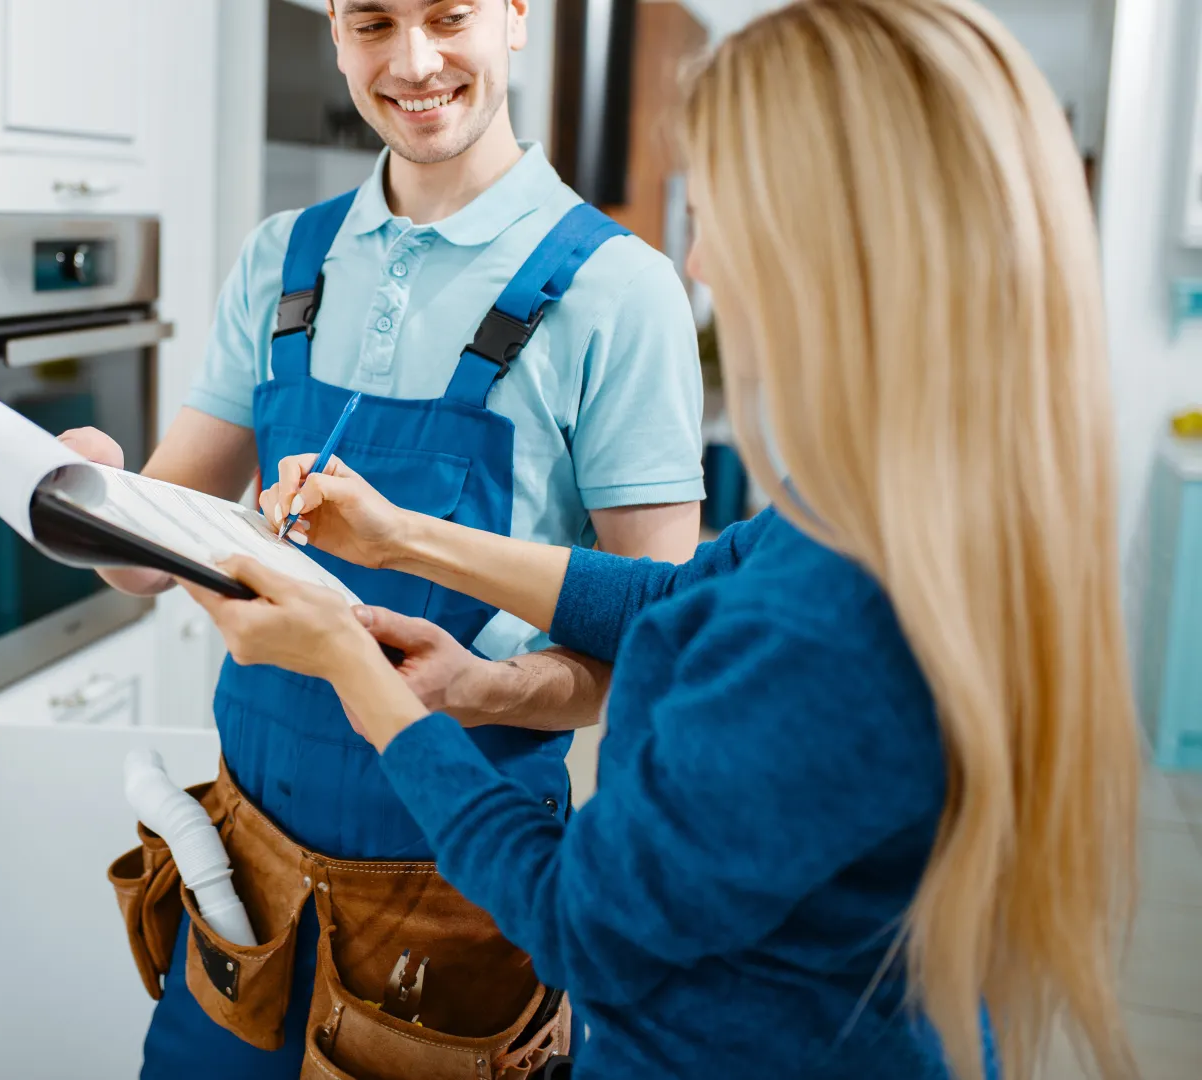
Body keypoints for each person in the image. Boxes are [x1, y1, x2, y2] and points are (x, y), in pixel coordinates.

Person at [182, 1, 1142, 1078]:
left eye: (724, 211)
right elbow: (670, 599)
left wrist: (355, 666)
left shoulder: (823, 626)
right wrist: (407, 540)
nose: (704, 261)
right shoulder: (872, 531)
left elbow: (581, 918)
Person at [72, 1, 706, 1075]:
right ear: (332, 26)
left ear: (512, 16)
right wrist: (89, 498)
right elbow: (151, 550)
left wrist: (477, 689)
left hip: (462, 901)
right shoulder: (283, 259)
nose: (413, 63)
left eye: (448, 15)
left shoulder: (620, 291)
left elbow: (665, 646)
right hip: (242, 885)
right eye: (372, 21)